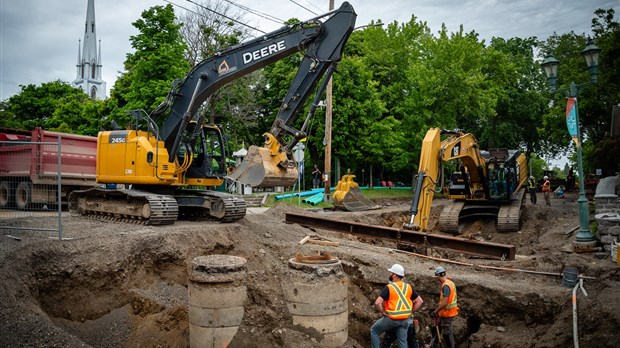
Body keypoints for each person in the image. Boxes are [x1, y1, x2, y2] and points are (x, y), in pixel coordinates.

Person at [371, 264, 424, 348]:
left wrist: (382, 312)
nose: (389, 274)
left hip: (392, 319)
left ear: (394, 275)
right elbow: (420, 301)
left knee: (374, 330)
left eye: (391, 273)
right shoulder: (408, 287)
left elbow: (377, 303)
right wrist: (410, 311)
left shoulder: (389, 287)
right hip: (405, 320)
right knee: (402, 341)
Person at [431, 266, 458, 348]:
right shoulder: (450, 283)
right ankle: (433, 345)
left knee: (447, 334)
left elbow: (445, 302)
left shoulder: (446, 286)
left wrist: (435, 311)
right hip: (444, 313)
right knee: (436, 329)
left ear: (438, 276)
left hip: (447, 314)